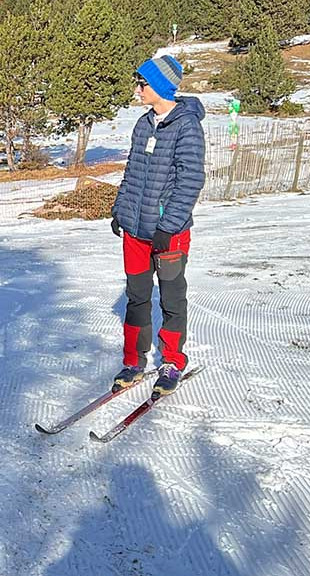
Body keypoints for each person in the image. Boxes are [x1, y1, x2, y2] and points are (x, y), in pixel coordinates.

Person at [110, 55, 206, 399]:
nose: (138, 90)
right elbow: (131, 174)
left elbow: (191, 180)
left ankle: (172, 361)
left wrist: (169, 225)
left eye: (143, 84)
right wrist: (120, 210)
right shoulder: (142, 125)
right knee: (136, 297)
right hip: (135, 233)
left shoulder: (186, 126)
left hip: (169, 234)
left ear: (161, 87)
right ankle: (133, 361)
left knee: (171, 299)